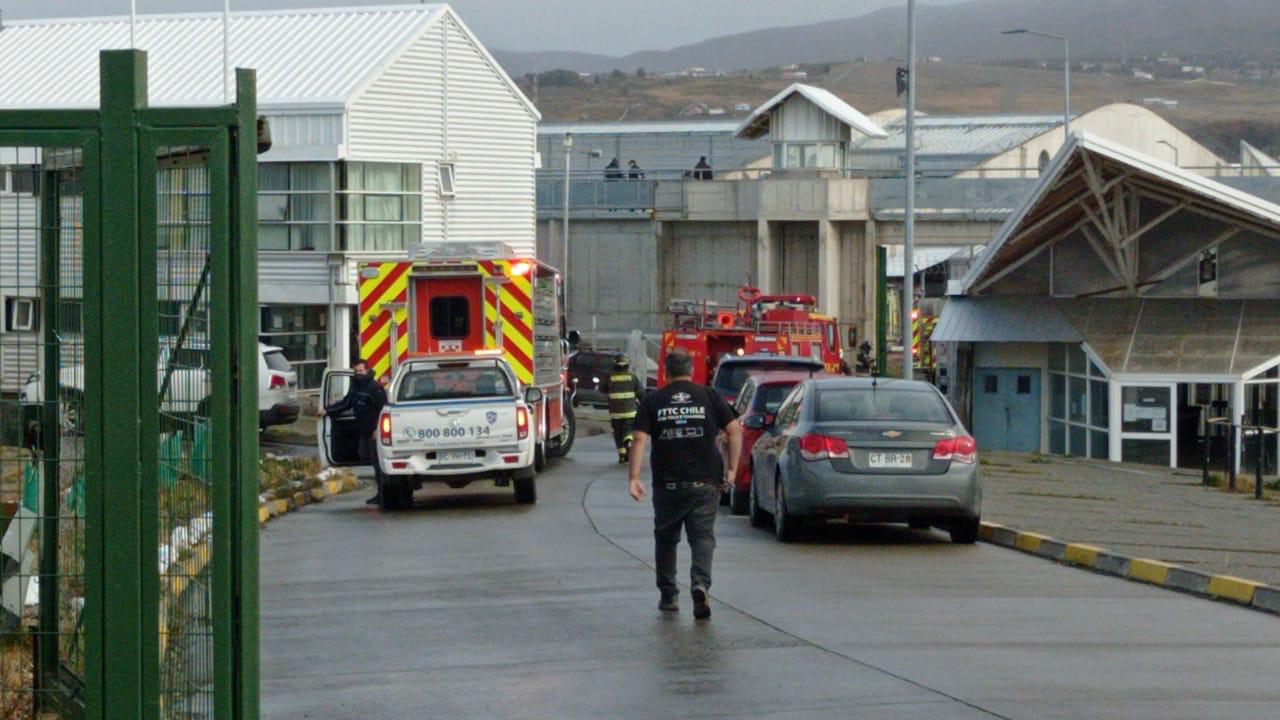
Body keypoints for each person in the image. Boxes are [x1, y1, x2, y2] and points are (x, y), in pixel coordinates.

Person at [629, 348, 742, 619]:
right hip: (705, 483)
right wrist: (732, 469)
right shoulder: (709, 396)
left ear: (666, 373)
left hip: (667, 485)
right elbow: (735, 429)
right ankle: (700, 584)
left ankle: (669, 595)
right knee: (702, 537)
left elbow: (640, 439)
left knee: (666, 539)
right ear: (692, 371)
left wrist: (633, 478)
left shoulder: (654, 400)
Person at [319, 359, 388, 505]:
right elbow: (346, 403)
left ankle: (384, 494)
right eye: (356, 372)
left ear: (368, 371)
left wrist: (378, 429)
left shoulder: (375, 389)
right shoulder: (356, 389)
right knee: (367, 458)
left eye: (361, 371)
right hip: (365, 432)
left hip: (376, 432)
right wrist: (327, 410)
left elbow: (384, 410)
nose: (358, 374)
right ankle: (380, 493)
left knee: (378, 464)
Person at [601, 353, 644, 464]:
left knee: (618, 433)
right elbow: (641, 393)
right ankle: (629, 440)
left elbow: (602, 389)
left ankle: (622, 455)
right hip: (630, 412)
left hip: (615, 412)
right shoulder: (632, 377)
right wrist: (646, 405)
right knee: (629, 429)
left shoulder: (610, 377)